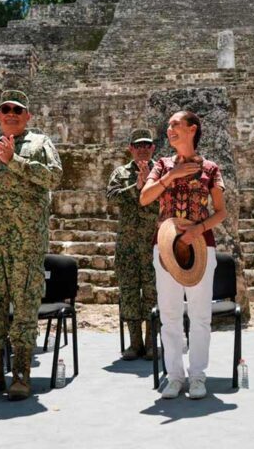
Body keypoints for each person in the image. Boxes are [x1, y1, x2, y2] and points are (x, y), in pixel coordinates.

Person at [0, 90, 62, 401]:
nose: (11, 114)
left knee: (24, 307)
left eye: (18, 109)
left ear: (27, 115)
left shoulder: (40, 144)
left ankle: (20, 374)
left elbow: (54, 178)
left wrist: (13, 160)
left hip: (27, 242)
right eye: (5, 109)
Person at [140, 111, 227, 399]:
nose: (170, 129)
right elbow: (145, 197)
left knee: (201, 314)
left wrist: (197, 230)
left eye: (176, 125)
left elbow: (222, 211)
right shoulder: (162, 166)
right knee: (170, 314)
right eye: (168, 126)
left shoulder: (212, 168)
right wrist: (171, 176)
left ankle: (198, 376)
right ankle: (175, 376)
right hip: (165, 244)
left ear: (193, 129)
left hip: (201, 245)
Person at [106, 129, 159, 360]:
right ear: (131, 148)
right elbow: (111, 197)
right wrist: (135, 188)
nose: (143, 149)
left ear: (153, 148)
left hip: (152, 243)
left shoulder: (161, 172)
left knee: (152, 293)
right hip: (127, 245)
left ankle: (150, 343)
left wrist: (149, 184)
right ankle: (134, 343)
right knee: (128, 293)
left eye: (147, 145)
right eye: (138, 145)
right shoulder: (120, 173)